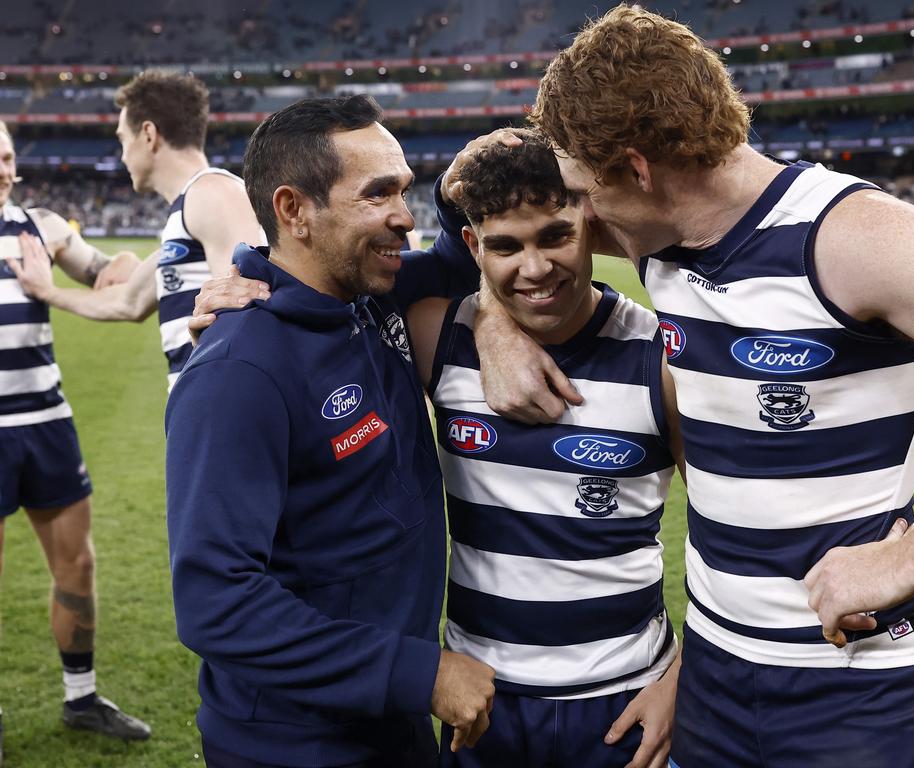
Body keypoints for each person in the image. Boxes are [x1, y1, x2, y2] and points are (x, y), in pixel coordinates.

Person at [452, 4, 914, 765]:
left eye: (583, 188)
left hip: (859, 685)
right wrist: (493, 318)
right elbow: (490, 228)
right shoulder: (657, 239)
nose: (578, 214)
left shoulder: (853, 237)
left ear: (637, 169)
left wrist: (910, 561)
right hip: (714, 681)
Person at [197, 128, 687, 767]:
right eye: (505, 246)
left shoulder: (664, 359)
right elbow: (330, 285)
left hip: (625, 700)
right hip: (478, 706)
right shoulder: (436, 335)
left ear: (590, 226)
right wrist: (247, 298)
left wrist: (686, 682)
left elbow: (740, 533)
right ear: (474, 247)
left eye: (557, 237)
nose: (534, 267)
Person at [165, 95, 494, 768]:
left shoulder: (370, 293)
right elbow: (215, 601)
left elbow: (459, 261)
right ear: (293, 210)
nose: (403, 216)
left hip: (386, 717)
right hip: (294, 743)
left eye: (403, 190)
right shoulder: (240, 370)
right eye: (377, 196)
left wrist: (457, 194)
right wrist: (419, 673)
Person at [0, 120, 151, 756]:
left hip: (47, 423)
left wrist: (123, 262)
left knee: (78, 563)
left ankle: (81, 697)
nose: (4, 170)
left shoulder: (41, 226)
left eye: (6, 157)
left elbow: (105, 278)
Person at [7, 70, 264, 390]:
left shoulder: (213, 192)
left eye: (122, 139)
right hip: (200, 408)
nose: (123, 154)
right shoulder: (187, 214)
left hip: (223, 407)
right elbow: (126, 302)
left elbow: (251, 306)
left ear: (148, 134)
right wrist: (49, 292)